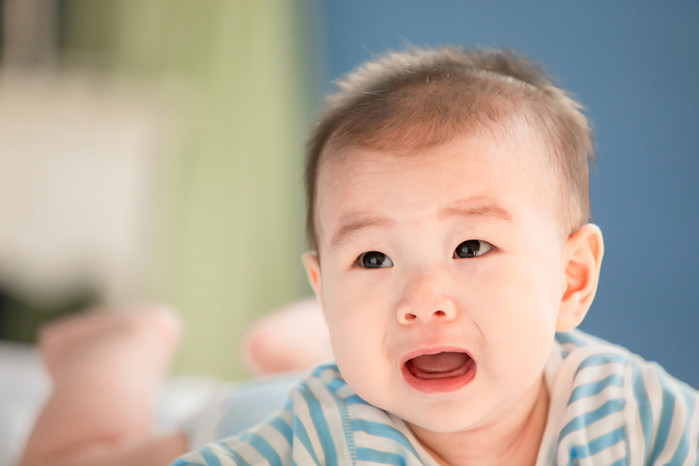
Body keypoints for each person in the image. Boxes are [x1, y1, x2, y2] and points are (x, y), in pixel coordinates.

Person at [19, 46, 699, 466]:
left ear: (571, 280)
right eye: (373, 259)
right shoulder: (312, 440)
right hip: (268, 413)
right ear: (325, 288)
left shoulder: (631, 414)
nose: (421, 299)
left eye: (470, 247)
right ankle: (122, 342)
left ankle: (295, 344)